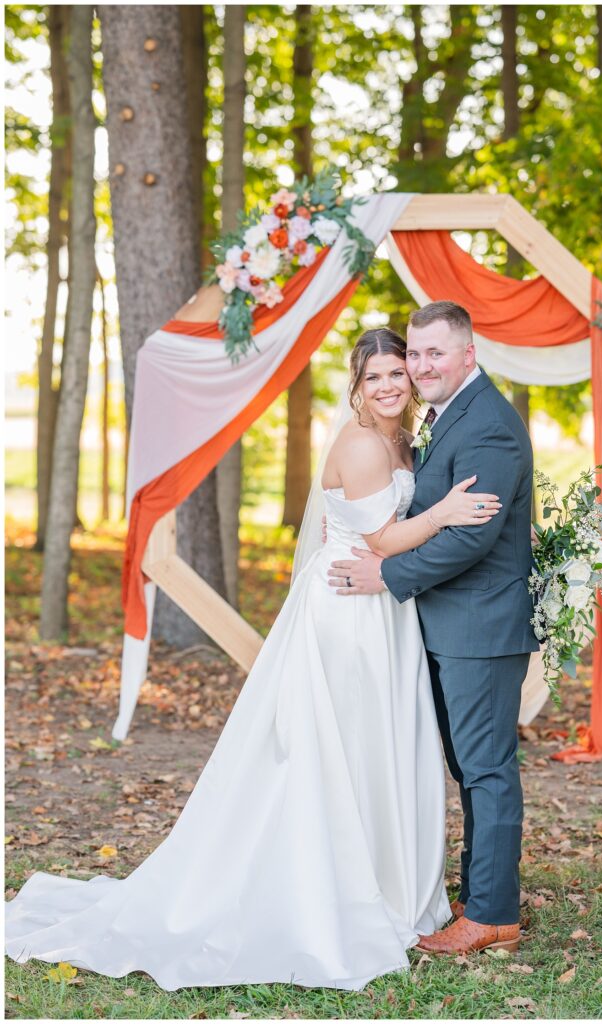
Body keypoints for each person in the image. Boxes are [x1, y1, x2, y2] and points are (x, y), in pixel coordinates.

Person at [5, 328, 502, 992]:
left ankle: (386, 877)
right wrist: (443, 511)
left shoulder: (400, 440)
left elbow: (372, 528)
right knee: (342, 746)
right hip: (348, 611)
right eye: (374, 376)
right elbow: (381, 536)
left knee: (378, 745)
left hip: (382, 605)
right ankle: (336, 886)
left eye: (397, 374)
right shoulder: (359, 442)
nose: (388, 385)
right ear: (355, 385)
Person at [329, 301, 540, 956]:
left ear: (467, 354)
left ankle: (491, 916)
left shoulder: (488, 426)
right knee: (469, 765)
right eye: (412, 355)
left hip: (478, 626)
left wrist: (386, 577)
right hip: (450, 623)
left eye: (432, 354)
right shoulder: (444, 415)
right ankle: (480, 896)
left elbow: (469, 539)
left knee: (484, 770)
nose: (420, 367)